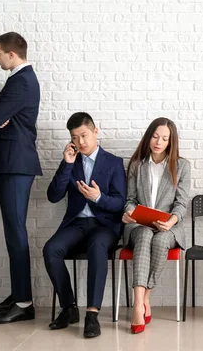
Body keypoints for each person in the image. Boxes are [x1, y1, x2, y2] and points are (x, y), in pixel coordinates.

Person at [0, 32, 42, 324]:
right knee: (11, 231)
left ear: (12, 54)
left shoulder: (22, 81)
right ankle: (18, 295)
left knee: (15, 232)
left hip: (16, 165)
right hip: (11, 163)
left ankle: (24, 302)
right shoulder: (19, 80)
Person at [43, 112, 126, 338]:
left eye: (84, 135)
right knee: (51, 249)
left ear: (95, 131)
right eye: (75, 137)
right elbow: (53, 195)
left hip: (105, 225)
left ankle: (92, 313)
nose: (81, 142)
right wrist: (66, 164)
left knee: (97, 247)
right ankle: (69, 308)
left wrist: (99, 197)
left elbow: (120, 202)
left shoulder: (114, 163)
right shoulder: (72, 162)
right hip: (77, 223)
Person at [122, 117, 191, 334]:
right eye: (155, 136)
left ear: (171, 142)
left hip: (168, 226)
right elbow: (130, 199)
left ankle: (144, 299)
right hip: (140, 225)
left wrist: (170, 221)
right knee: (144, 235)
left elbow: (181, 202)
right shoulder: (136, 165)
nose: (158, 142)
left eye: (164, 138)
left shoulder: (182, 166)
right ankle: (137, 306)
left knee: (160, 240)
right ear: (149, 136)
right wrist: (129, 212)